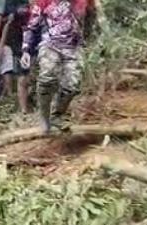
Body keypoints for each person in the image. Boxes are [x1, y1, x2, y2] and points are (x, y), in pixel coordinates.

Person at [21, 0, 97, 132]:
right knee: (47, 78)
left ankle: (57, 115)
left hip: (74, 46)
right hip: (50, 44)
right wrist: (26, 50)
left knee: (73, 85)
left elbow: (91, 15)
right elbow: (32, 26)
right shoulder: (43, 1)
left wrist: (86, 38)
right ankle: (44, 117)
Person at [0, 0, 32, 112]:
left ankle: (25, 107)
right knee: (14, 71)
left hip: (29, 40)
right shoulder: (8, 3)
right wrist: (1, 43)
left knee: (25, 74)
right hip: (14, 41)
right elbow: (7, 22)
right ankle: (20, 107)